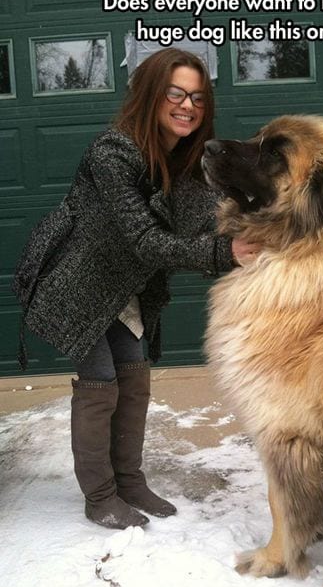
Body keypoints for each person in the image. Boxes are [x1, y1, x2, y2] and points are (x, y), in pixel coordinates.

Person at [12, 48, 259, 530]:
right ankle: (100, 496)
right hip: (77, 285)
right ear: (150, 94)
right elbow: (146, 241)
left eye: (198, 97)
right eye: (175, 93)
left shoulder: (182, 159)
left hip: (124, 290)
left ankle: (129, 480)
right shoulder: (112, 153)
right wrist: (224, 254)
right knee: (101, 382)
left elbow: (210, 215)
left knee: (135, 376)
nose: (188, 105)